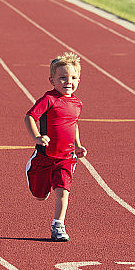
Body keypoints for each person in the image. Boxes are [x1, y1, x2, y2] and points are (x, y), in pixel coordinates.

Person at [25, 52, 87, 242]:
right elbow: (30, 117)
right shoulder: (49, 99)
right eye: (62, 78)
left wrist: (77, 145)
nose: (68, 81)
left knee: (62, 190)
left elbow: (73, 124)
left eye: (73, 77)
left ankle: (58, 225)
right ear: (52, 80)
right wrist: (37, 136)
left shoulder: (77, 103)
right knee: (40, 196)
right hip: (45, 156)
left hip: (66, 157)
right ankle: (31, 169)